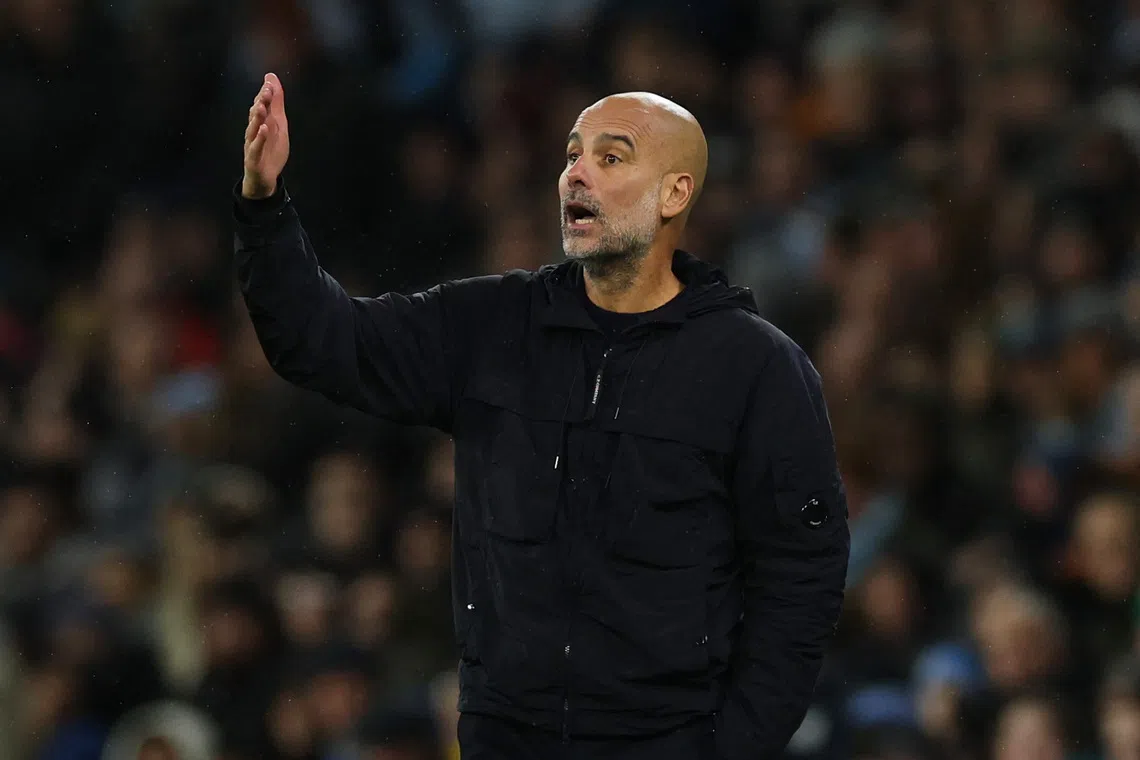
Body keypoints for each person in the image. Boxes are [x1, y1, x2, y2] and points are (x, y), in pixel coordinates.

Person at [235, 72, 850, 760]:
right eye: (570, 154)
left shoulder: (757, 369)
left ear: (675, 192)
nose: (575, 175)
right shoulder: (491, 325)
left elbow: (802, 578)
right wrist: (266, 207)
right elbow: (324, 343)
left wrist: (735, 747)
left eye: (609, 157)